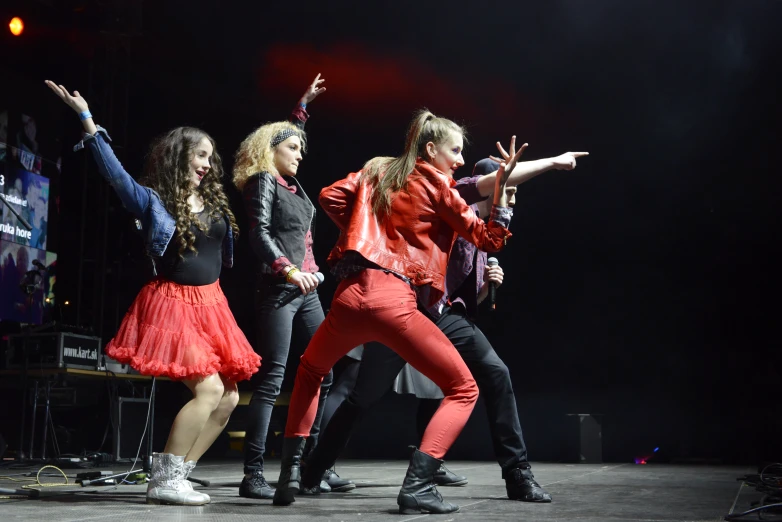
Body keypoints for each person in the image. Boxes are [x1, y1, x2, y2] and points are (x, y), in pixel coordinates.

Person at [274, 109, 524, 514]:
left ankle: (291, 473)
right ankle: (419, 485)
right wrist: (501, 196)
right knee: (464, 390)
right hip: (392, 299)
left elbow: (329, 195)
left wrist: (359, 231)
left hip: (349, 295)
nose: (459, 160)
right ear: (431, 149)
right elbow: (489, 239)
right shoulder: (439, 185)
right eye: (455, 151)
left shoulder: (378, 169)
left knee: (310, 371)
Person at [304, 149, 588, 502]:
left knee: (496, 373)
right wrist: (553, 162)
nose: (511, 197)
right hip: (403, 309)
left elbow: (468, 299)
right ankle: (313, 469)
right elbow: (489, 182)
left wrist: (486, 287)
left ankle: (517, 475)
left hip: (444, 315)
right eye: (508, 188)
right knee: (363, 396)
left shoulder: (483, 235)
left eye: (513, 191)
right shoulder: (451, 198)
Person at [46, 80, 261, 506]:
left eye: (210, 157)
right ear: (180, 155)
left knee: (231, 396)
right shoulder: (153, 200)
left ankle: (179, 473)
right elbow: (116, 177)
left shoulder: (214, 202)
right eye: (200, 154)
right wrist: (87, 121)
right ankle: (163, 480)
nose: (207, 163)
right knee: (209, 391)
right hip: (175, 305)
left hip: (213, 304)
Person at [232, 74, 353, 499]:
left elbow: (292, 133)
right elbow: (258, 234)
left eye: (302, 148)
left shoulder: (294, 185)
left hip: (307, 292)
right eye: (292, 148)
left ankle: (310, 466)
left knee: (324, 371)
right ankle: (253, 475)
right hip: (280, 291)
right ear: (272, 151)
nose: (300, 153)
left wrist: (303, 105)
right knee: (273, 378)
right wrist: (288, 271)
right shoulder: (264, 180)